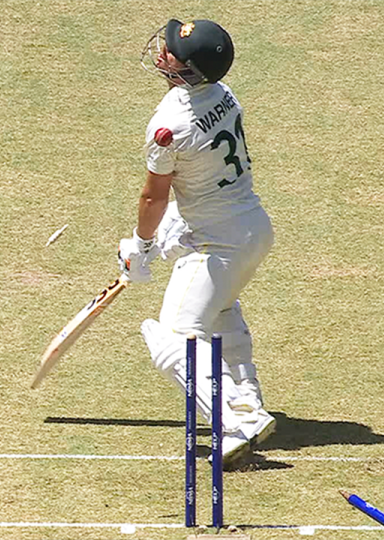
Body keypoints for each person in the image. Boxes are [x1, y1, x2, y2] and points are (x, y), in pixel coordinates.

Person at [118, 19, 276, 469]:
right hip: (249, 229)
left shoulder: (169, 125)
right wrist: (158, 241)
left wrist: (143, 242)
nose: (163, 51)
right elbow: (200, 184)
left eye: (173, 52)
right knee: (218, 310)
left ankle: (231, 425)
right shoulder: (224, 96)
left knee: (174, 336)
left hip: (220, 244)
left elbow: (155, 194)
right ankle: (249, 405)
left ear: (190, 72)